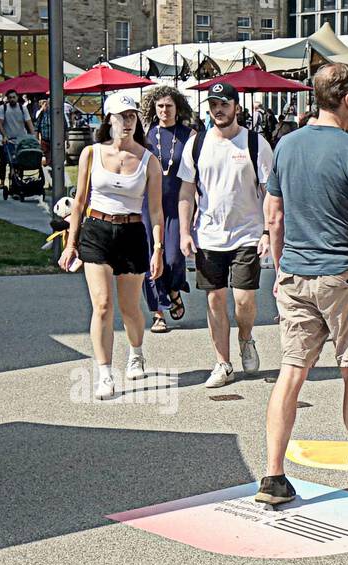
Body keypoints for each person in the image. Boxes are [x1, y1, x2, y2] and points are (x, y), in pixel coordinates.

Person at [257, 63, 348, 507]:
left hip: (296, 272)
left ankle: (273, 476)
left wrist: (281, 270)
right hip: (343, 276)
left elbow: (273, 217)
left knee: (291, 372)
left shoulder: (285, 146)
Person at [59, 93, 165, 402]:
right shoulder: (91, 153)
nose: (128, 122)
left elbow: (156, 211)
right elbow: (79, 201)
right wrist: (71, 243)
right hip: (97, 230)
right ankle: (105, 373)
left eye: (132, 116)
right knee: (103, 305)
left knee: (130, 309)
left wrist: (158, 247)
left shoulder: (149, 160)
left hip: (132, 232)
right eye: (121, 116)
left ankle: (136, 352)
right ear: (109, 119)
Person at [178, 80, 274, 389]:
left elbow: (269, 192)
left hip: (247, 233)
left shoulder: (255, 144)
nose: (218, 110)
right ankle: (223, 363)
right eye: (213, 105)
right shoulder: (198, 144)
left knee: (243, 300)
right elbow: (187, 189)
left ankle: (246, 338)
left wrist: (268, 231)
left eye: (224, 104)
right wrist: (184, 232)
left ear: (236, 107)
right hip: (209, 235)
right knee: (215, 300)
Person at [140, 85, 197, 334]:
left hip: (177, 204)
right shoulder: (145, 135)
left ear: (177, 108)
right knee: (150, 259)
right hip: (148, 205)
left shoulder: (190, 135)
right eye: (160, 106)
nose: (164, 110)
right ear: (154, 108)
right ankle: (158, 313)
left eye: (169, 106)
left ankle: (174, 289)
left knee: (173, 257)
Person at [0, 90, 34, 187]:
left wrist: (33, 136)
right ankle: (2, 182)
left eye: (14, 97)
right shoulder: (3, 108)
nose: (12, 99)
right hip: (7, 140)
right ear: (7, 99)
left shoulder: (23, 108)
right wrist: (4, 136)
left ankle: (18, 181)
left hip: (21, 140)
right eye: (10, 97)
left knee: (19, 162)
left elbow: (29, 123)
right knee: (4, 162)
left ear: (17, 98)